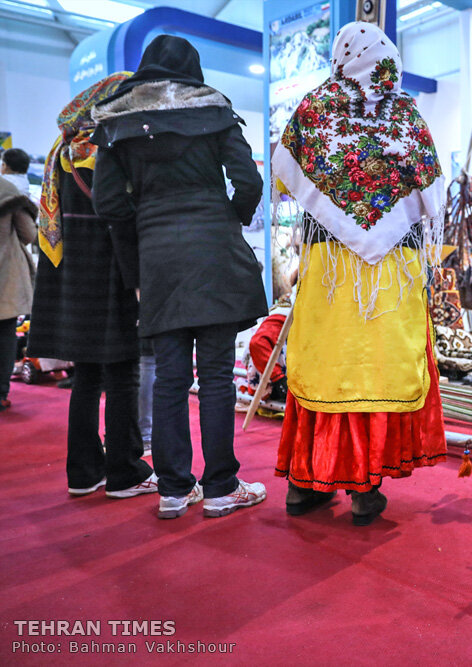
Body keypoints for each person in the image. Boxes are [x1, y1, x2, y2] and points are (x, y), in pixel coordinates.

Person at [272, 21, 447, 523]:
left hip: (329, 265)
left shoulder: (314, 108)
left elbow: (286, 179)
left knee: (327, 364)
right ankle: (365, 489)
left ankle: (304, 486)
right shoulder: (405, 112)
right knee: (378, 366)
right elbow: (430, 190)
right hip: (392, 269)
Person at [92, 36, 268, 519]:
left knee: (170, 377)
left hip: (157, 257)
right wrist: (229, 218)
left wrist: (139, 254)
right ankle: (221, 487)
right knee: (216, 376)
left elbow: (108, 204)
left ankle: (172, 489)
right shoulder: (214, 108)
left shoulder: (116, 121)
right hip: (214, 250)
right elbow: (248, 181)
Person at [28, 73, 155, 498]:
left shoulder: (63, 150)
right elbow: (121, 212)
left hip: (74, 276)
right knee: (123, 372)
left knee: (87, 376)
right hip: (111, 270)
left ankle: (83, 472)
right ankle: (125, 471)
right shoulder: (108, 148)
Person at [0, 177, 37, 412]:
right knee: (5, 335)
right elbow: (29, 234)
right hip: (5, 277)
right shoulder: (7, 190)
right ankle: (0, 394)